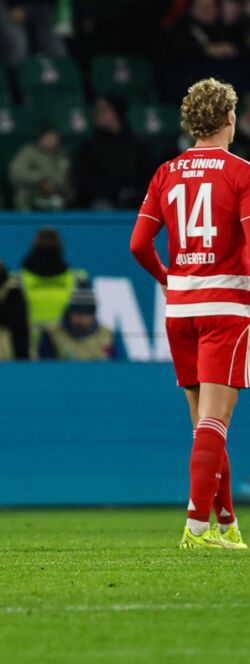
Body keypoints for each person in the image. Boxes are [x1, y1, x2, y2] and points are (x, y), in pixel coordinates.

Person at [130, 77, 248, 549]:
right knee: (216, 422)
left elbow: (139, 244)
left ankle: (227, 524)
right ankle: (196, 529)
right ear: (229, 119)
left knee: (205, 426)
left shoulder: (166, 172)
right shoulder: (241, 173)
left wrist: (166, 277)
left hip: (181, 309)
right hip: (226, 308)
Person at [74, 97, 152, 210]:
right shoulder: (88, 145)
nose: (98, 114)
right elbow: (85, 182)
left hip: (136, 199)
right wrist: (115, 192)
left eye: (103, 110)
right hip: (104, 200)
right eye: (97, 111)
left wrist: (134, 193)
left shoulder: (138, 143)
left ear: (117, 112)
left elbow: (148, 176)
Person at [37, 283, 115, 360]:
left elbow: (117, 362)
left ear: (93, 316)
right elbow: (45, 363)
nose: (82, 318)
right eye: (78, 312)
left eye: (87, 313)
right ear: (69, 313)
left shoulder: (107, 336)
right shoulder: (52, 334)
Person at [9, 125, 73, 211]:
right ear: (40, 138)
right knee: (23, 193)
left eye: (53, 137)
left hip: (54, 197)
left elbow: (64, 179)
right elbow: (16, 172)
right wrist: (41, 179)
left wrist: (56, 184)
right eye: (47, 137)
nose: (51, 140)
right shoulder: (29, 152)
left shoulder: (62, 155)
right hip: (32, 195)